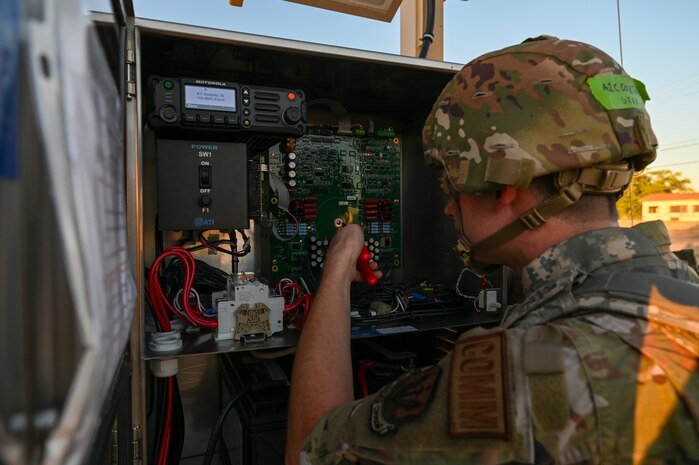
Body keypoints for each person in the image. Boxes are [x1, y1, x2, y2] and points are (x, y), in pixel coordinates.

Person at [285, 36, 699, 465]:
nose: (448, 205)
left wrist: (335, 269)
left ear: (505, 187)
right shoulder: (681, 287)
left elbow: (308, 450)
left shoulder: (520, 375)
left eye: (451, 184)